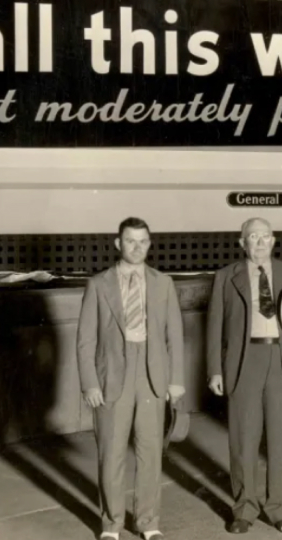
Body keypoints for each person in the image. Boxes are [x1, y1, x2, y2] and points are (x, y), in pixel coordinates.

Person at [207, 217, 282, 535]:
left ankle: (279, 509)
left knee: (281, 441)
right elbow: (214, 326)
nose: (259, 241)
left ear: (273, 240)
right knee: (243, 440)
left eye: (265, 236)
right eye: (252, 236)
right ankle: (244, 509)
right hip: (244, 362)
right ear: (242, 243)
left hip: (281, 361)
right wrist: (215, 369)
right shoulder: (226, 277)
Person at [77, 217, 185, 540]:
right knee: (110, 452)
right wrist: (90, 383)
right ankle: (112, 524)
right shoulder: (98, 284)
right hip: (113, 377)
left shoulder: (163, 283)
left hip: (152, 375)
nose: (137, 248)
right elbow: (85, 340)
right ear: (117, 244)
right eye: (130, 241)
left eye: (143, 241)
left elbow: (174, 336)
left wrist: (175, 379)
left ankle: (148, 522)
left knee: (150, 452)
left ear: (150, 244)